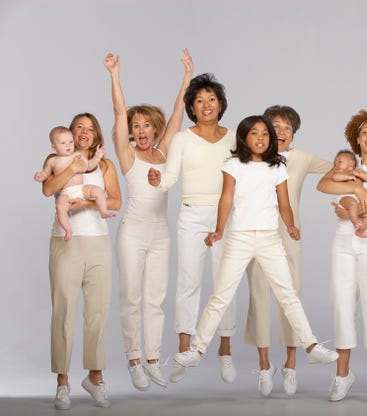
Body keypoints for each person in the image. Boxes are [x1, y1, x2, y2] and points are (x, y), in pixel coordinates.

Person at [173, 115, 339, 378]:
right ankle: (197, 350)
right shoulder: (233, 165)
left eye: (264, 133)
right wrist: (218, 229)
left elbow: (283, 203)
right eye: (254, 133)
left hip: (269, 239)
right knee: (221, 295)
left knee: (287, 294)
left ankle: (311, 345)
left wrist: (291, 225)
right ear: (244, 138)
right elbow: (226, 199)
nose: (260, 138)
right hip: (239, 238)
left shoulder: (278, 167)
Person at [104, 50, 193, 391]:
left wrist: (186, 77)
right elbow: (116, 112)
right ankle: (134, 359)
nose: (140, 130)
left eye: (146, 125)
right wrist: (115, 75)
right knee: (131, 298)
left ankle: (154, 358)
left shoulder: (165, 149)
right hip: (132, 233)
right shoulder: (127, 156)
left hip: (160, 233)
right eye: (135, 125)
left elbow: (177, 114)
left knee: (156, 298)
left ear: (155, 129)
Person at [148, 72, 238, 384]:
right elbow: (171, 177)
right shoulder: (183, 139)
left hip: (226, 216)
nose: (206, 104)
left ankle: (225, 350)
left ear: (221, 104)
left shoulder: (234, 138)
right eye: (199, 100)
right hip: (191, 215)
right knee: (188, 281)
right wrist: (159, 181)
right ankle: (184, 351)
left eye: (211, 99)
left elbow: (248, 174)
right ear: (192, 108)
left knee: (225, 283)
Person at [244, 105, 332, 397]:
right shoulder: (249, 158)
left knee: (290, 297)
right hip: (256, 233)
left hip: (289, 234)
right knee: (259, 297)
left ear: (293, 133)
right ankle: (265, 366)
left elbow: (339, 167)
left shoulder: (302, 158)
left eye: (287, 128)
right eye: (275, 126)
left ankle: (291, 366)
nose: (280, 132)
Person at [317, 108, 367, 404]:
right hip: (343, 238)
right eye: (365, 132)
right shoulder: (345, 164)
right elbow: (323, 184)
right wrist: (352, 185)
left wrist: (357, 204)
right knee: (341, 304)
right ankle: (343, 374)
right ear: (356, 137)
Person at [42, 113, 121, 409]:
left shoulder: (104, 164)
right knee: (63, 310)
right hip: (66, 242)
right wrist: (72, 166)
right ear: (70, 133)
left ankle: (95, 377)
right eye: (79, 128)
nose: (84, 132)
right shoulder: (58, 159)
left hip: (98, 241)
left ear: (96, 134)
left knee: (97, 311)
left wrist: (87, 203)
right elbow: (48, 189)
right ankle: (62, 383)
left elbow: (115, 201)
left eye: (90, 128)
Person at [35, 126, 113, 241]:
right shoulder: (52, 161)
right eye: (63, 143)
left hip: (81, 189)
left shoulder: (77, 155)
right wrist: (40, 176)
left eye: (70, 142)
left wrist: (97, 157)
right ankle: (68, 229)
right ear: (53, 147)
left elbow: (89, 165)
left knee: (97, 190)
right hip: (66, 193)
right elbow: (46, 174)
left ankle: (103, 211)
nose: (68, 145)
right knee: (60, 206)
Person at [331, 149, 367, 238]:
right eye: (335, 163)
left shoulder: (358, 171)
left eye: (339, 162)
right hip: (346, 197)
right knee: (352, 204)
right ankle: (355, 222)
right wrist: (347, 176)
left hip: (358, 198)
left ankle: (360, 231)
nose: (336, 165)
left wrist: (359, 174)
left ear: (351, 163)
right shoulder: (340, 174)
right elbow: (335, 178)